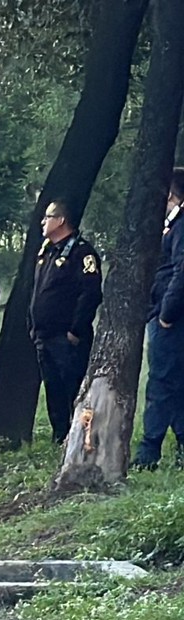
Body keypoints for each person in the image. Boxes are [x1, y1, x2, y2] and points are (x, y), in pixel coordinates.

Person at [29, 199, 103, 444]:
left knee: (74, 387)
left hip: (67, 337)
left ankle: (82, 438)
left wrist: (75, 330)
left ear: (61, 220)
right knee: (53, 389)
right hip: (44, 335)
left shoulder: (82, 253)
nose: (43, 221)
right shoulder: (47, 250)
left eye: (48, 217)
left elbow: (90, 293)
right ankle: (60, 436)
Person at [133, 168, 184, 470]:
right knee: (176, 384)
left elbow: (181, 271)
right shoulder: (174, 225)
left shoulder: (180, 226)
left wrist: (166, 312)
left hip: (173, 319)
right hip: (172, 315)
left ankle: (148, 452)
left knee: (161, 383)